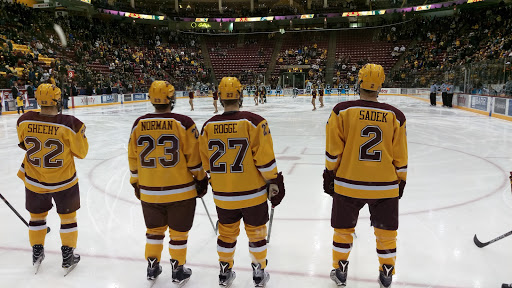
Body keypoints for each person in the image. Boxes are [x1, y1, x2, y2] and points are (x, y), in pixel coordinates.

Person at [324, 64, 407, 288]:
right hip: (385, 186)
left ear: (359, 82)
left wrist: (330, 172)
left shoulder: (342, 110)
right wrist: (402, 179)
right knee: (386, 232)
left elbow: (333, 150)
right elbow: (400, 155)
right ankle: (386, 272)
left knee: (343, 229)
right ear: (381, 85)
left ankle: (340, 270)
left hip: (348, 183)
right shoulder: (395, 116)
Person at [199, 77, 285, 288]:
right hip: (252, 194)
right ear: (241, 95)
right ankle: (258, 271)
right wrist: (274, 180)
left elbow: (206, 164)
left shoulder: (208, 126)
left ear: (219, 98)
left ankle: (224, 271)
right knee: (256, 232)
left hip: (223, 195)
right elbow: (264, 161)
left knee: (226, 233)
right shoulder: (254, 122)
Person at [128, 81, 208, 285]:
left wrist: (136, 182)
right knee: (179, 233)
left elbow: (133, 157)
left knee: (154, 231)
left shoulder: (139, 123)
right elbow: (194, 158)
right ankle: (177, 268)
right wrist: (201, 179)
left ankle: (152, 266)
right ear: (171, 99)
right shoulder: (183, 122)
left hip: (149, 192)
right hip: (180, 192)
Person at [16, 83, 88, 272]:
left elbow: (24, 144)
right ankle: (67, 254)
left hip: (34, 180)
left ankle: (37, 251)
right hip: (64, 181)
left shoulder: (24, 120)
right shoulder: (71, 124)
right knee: (68, 217)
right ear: (58, 99)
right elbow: (81, 153)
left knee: (37, 217)